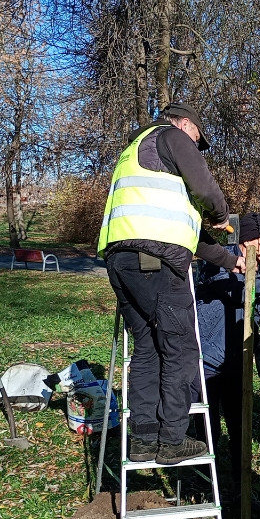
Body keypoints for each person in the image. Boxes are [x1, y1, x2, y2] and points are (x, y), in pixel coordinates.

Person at [97, 102, 232, 465]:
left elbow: (187, 233)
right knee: (183, 349)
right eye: (197, 139)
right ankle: (173, 439)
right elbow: (205, 187)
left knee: (148, 347)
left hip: (122, 260)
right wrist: (220, 212)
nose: (196, 147)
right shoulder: (171, 136)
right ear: (186, 124)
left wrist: (231, 261)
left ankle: (142, 439)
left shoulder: (135, 152)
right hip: (154, 263)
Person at [193, 212, 260, 475]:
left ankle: (241, 483)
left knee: (240, 425)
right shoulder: (218, 259)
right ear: (249, 241)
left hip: (236, 359)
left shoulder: (258, 267)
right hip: (209, 358)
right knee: (208, 426)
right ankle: (207, 482)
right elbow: (240, 292)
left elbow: (258, 302)